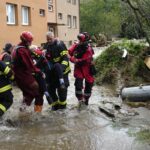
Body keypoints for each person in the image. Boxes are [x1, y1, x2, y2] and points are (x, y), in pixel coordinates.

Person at [12, 31, 43, 112]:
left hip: (19, 76)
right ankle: (35, 112)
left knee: (27, 93)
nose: (31, 43)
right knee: (36, 90)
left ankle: (23, 110)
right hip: (23, 75)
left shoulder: (18, 48)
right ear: (25, 41)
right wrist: (39, 71)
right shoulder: (22, 50)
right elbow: (29, 65)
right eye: (30, 41)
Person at [43, 31, 71, 110]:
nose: (49, 41)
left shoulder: (60, 45)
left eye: (50, 39)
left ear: (54, 37)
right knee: (50, 89)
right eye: (47, 39)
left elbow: (65, 58)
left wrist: (61, 69)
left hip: (62, 72)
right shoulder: (47, 46)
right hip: (51, 72)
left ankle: (62, 107)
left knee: (62, 90)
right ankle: (55, 105)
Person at [69, 32, 95, 106]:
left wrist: (74, 59)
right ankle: (80, 100)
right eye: (79, 40)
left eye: (81, 40)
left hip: (87, 68)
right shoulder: (76, 45)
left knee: (89, 85)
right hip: (79, 68)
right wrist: (71, 57)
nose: (79, 41)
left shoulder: (89, 49)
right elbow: (69, 52)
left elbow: (85, 59)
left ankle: (86, 100)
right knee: (78, 84)